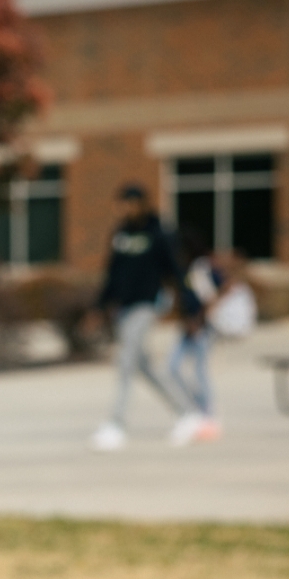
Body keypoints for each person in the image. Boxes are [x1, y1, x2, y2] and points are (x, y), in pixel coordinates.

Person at [90, 183, 203, 450]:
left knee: (126, 360)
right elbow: (112, 273)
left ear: (141, 203)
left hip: (146, 304)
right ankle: (188, 413)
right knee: (143, 365)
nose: (125, 209)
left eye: (130, 203)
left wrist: (191, 307)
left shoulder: (158, 232)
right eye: (121, 203)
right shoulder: (121, 234)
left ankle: (116, 425)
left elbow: (176, 270)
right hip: (124, 307)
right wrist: (99, 307)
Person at [167, 227, 225, 442]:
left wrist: (198, 320)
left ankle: (208, 415)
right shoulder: (184, 269)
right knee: (172, 367)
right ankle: (195, 408)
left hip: (201, 327)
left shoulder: (200, 267)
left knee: (200, 371)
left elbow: (211, 296)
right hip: (187, 327)